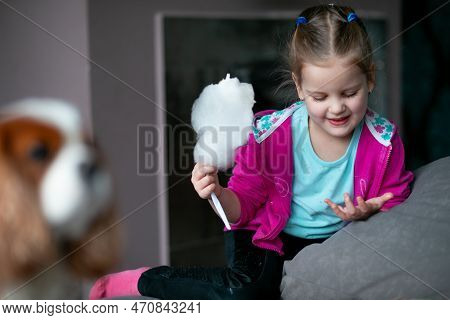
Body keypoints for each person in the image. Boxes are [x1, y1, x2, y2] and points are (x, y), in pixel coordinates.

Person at [89, 4, 414, 300]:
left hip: (331, 237)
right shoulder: (266, 136)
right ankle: (146, 281)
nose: (337, 107)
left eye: (349, 92)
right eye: (320, 97)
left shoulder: (383, 141)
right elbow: (241, 210)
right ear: (299, 88)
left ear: (370, 78)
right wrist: (216, 192)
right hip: (263, 231)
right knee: (246, 291)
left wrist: (370, 209)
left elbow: (395, 195)